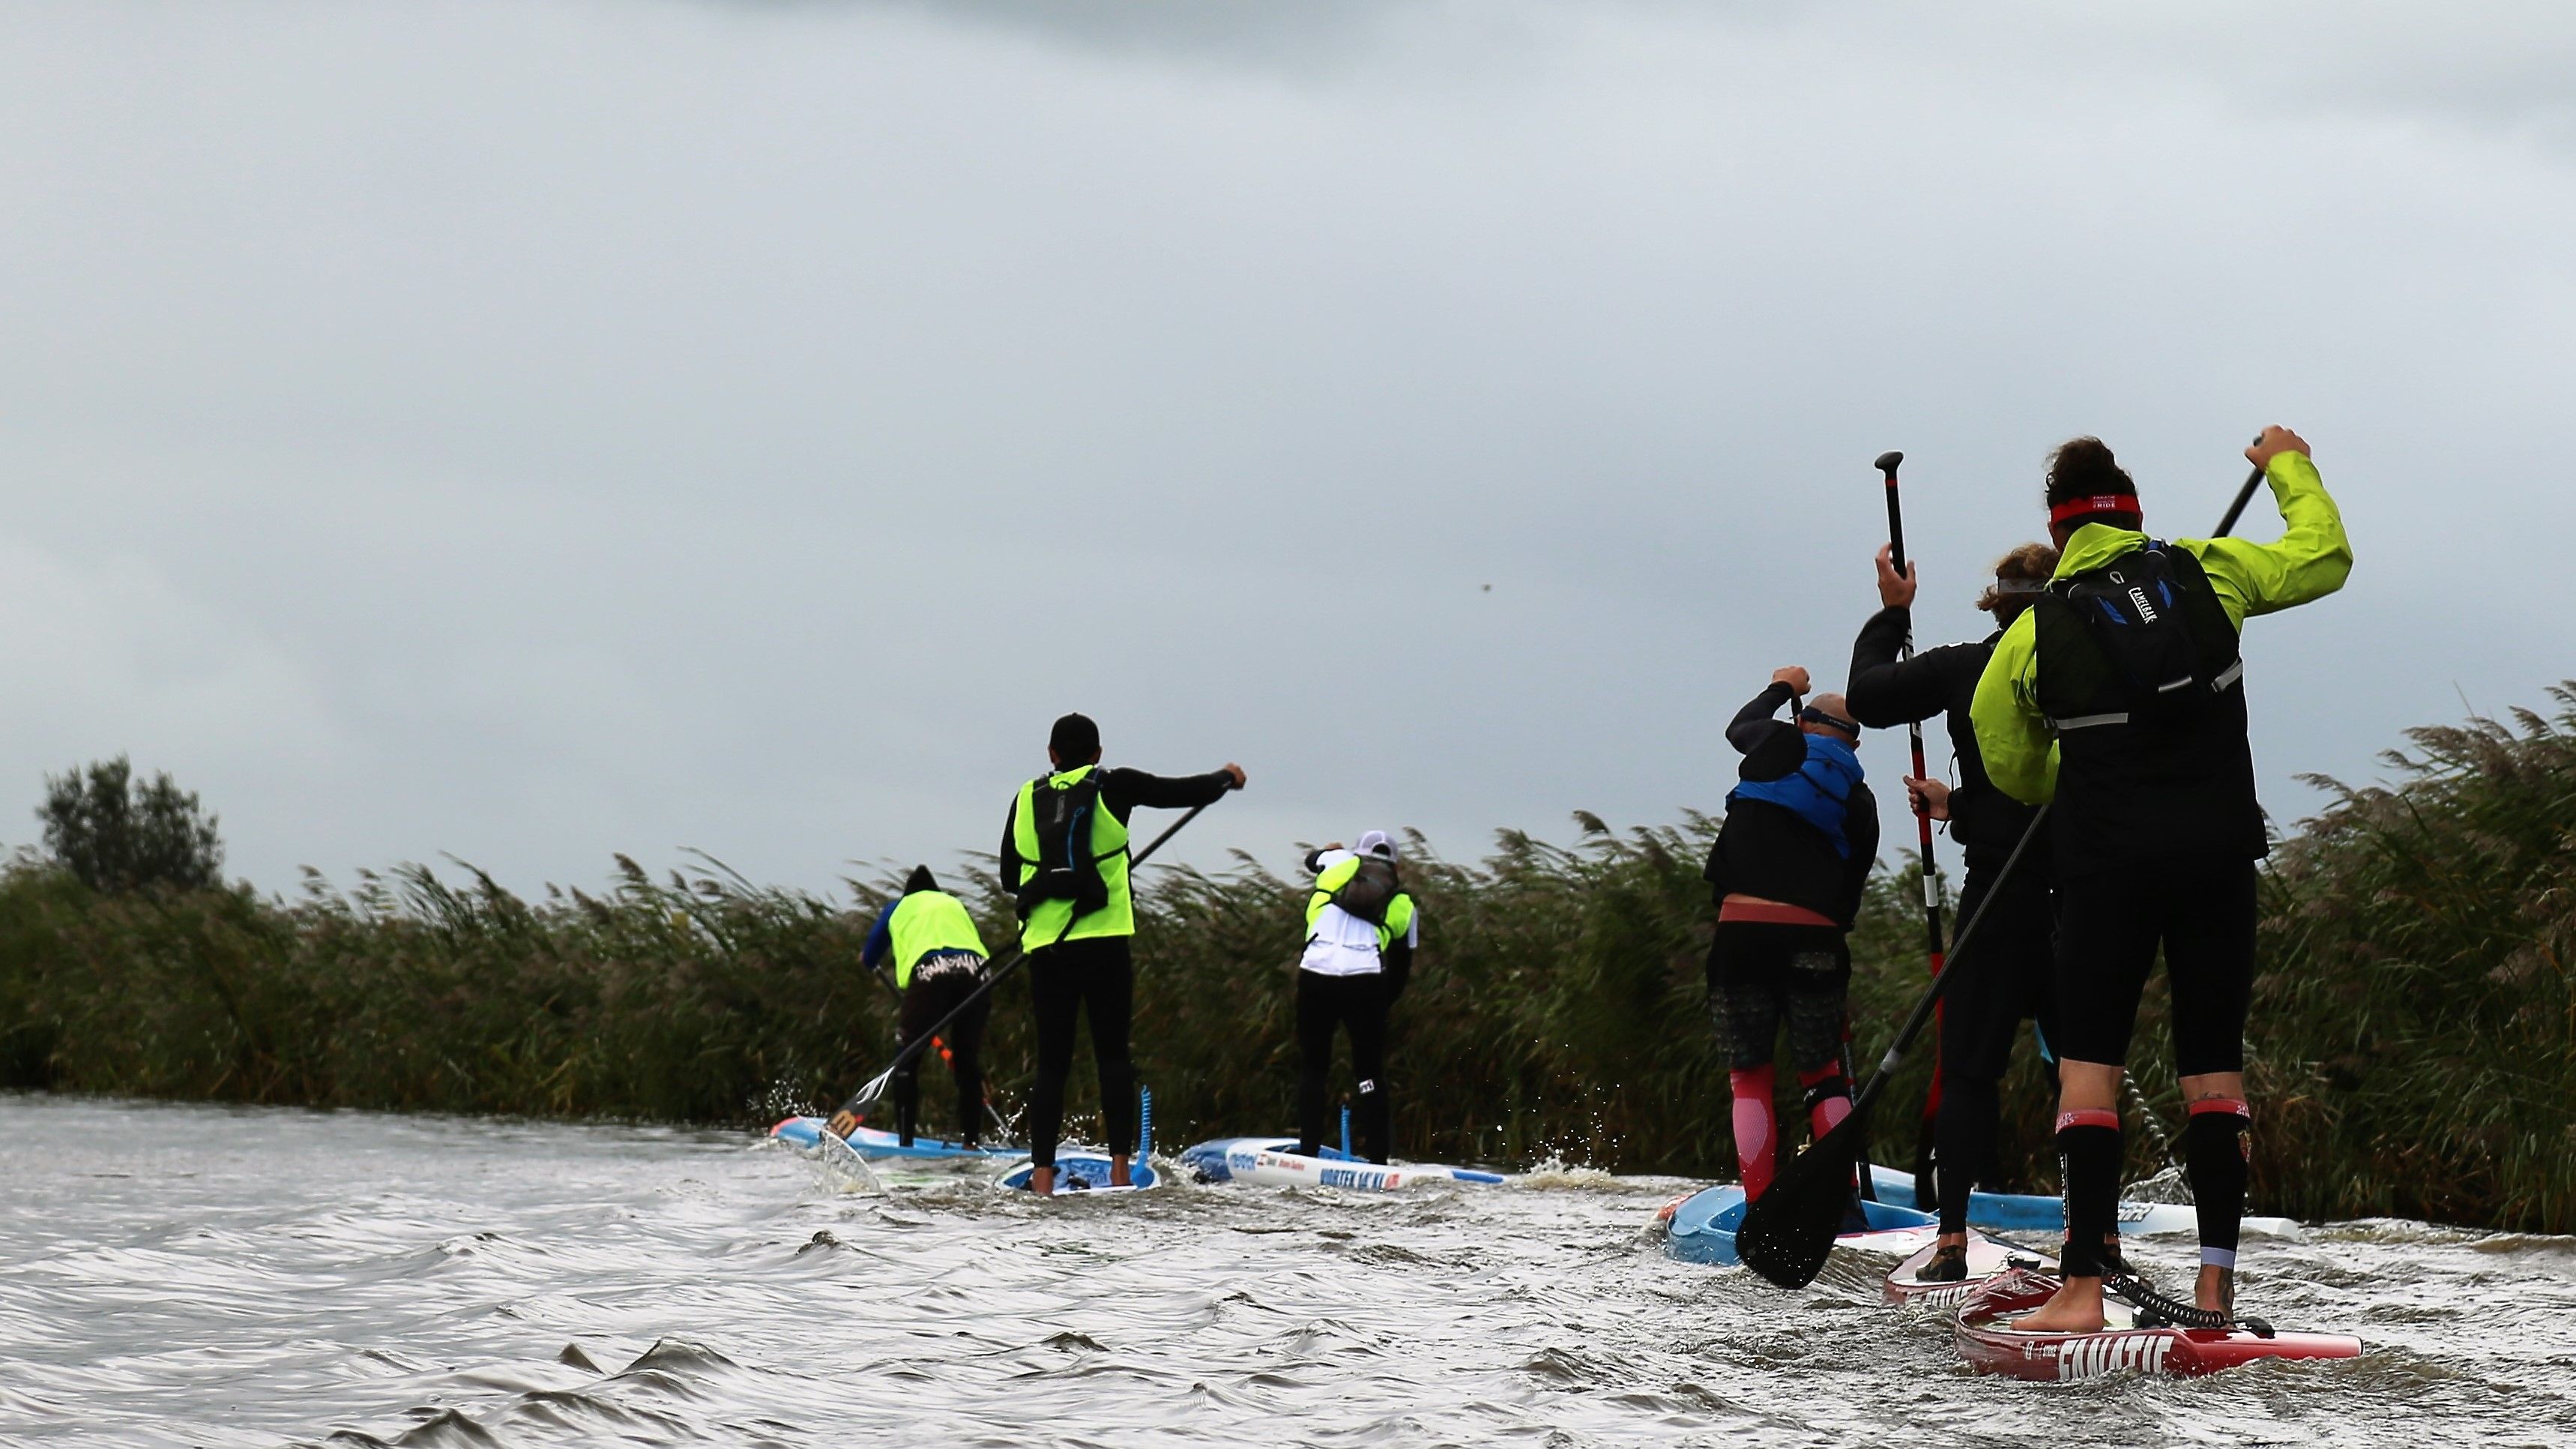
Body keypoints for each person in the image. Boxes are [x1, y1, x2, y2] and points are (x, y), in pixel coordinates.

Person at [1973, 427, 2350, 1330]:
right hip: (2218, 855)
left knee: (2089, 1069)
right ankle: (2215, 1288)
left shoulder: (2031, 632)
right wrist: (2285, 467)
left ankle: (2080, 1291)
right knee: (2212, 1071)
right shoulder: (2207, 569)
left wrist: (2074, 775)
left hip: (2106, 865)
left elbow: (2007, 765)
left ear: (2059, 535)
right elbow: (2324, 557)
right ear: (2133, 513)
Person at [1847, 541, 2062, 1280]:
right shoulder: (2094, 670)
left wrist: (1892, 612)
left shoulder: (1966, 664)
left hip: (1996, 898)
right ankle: (2093, 1248)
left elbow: (1869, 696)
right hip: (2080, 898)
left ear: (1994, 604)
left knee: (1968, 1071)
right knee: (2083, 1073)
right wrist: (1960, 806)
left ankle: (1950, 1240)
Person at [1001, 712, 1245, 1196]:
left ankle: (1043, 1179)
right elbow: (1183, 792)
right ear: (1097, 754)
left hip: (1047, 949)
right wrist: (1226, 778)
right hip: (1106, 941)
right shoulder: (1115, 786)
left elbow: (1011, 880)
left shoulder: (1025, 799)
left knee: (1052, 1065)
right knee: (1113, 1057)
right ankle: (1118, 1173)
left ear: (1051, 755)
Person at [1702, 670, 1880, 1202]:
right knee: (1823, 1075)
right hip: (1817, 940)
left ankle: (1759, 1201)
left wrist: (1781, 685)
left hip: (1741, 935)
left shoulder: (1777, 741)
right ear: (1853, 741)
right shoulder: (1859, 796)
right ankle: (1840, 1201)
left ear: (1802, 723)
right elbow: (1852, 885)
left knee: (1750, 1076)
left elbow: (1741, 726)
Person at [1294, 831, 1420, 1164]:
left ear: (1358, 853)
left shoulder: (1338, 862)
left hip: (1316, 973)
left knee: (1313, 1067)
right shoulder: (1404, 902)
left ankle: (1307, 1153)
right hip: (1365, 982)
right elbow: (1401, 966)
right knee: (1368, 1072)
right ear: (1395, 865)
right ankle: (1379, 1161)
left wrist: (1328, 850)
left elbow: (1310, 861)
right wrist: (1382, 1005)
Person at [855, 865, 993, 1148]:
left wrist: (866, 960)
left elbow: (870, 956)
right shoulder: (954, 904)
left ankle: (906, 1144)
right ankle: (971, 1142)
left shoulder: (898, 907)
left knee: (907, 1058)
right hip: (979, 973)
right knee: (966, 1061)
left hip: (932, 972)